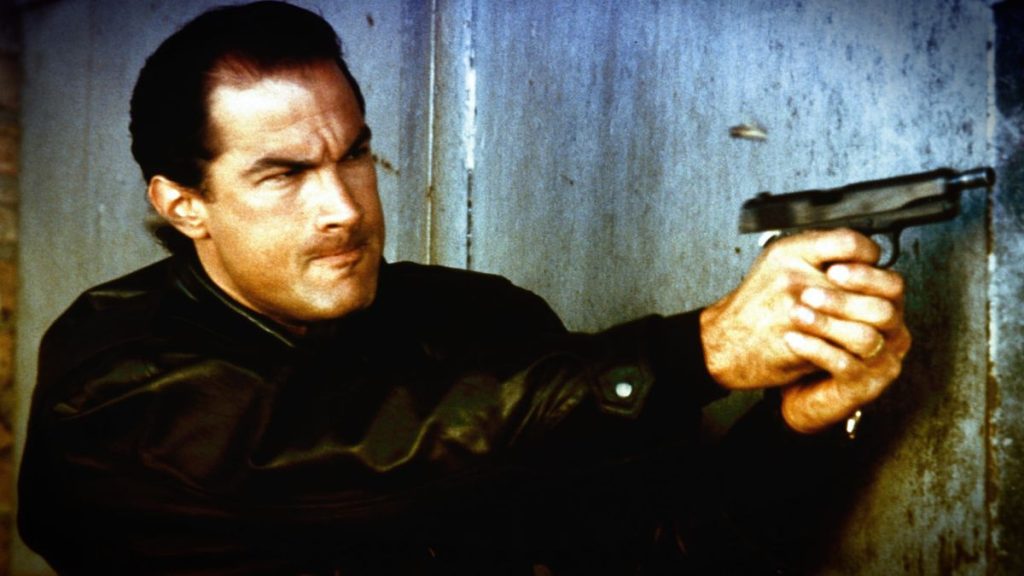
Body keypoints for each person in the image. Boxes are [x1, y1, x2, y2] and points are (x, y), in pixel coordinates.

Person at [18, 2, 910, 574]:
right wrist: (698, 352)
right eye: (283, 174)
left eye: (354, 155)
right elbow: (357, 452)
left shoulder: (479, 321)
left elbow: (663, 546)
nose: (343, 208)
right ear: (183, 205)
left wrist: (798, 429)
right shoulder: (112, 385)